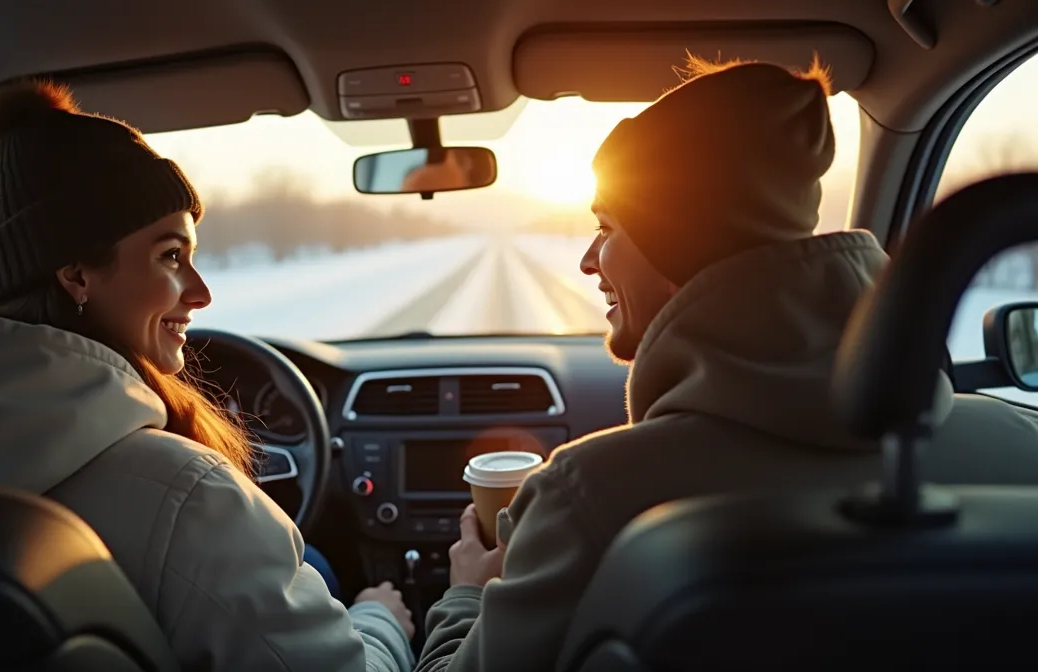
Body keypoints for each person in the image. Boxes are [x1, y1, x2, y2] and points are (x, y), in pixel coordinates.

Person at [416, 58, 1038, 671]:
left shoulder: (588, 498)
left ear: (673, 244)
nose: (587, 260)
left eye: (607, 227)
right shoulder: (1018, 444)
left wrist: (465, 595)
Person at [0, 79, 415, 671]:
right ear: (76, 275)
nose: (200, 292)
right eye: (171, 256)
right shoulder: (189, 499)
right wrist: (387, 618)